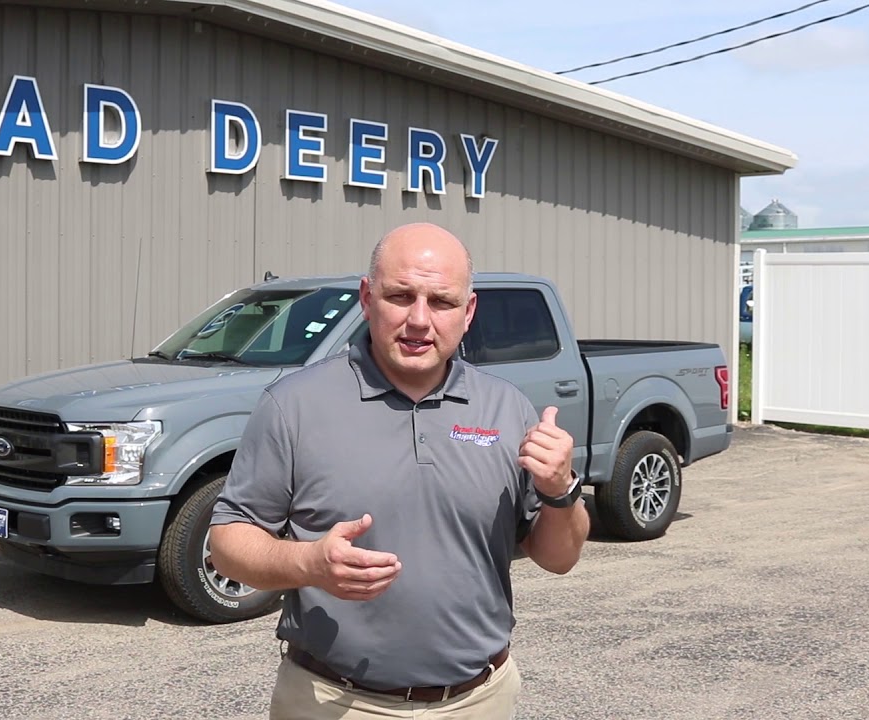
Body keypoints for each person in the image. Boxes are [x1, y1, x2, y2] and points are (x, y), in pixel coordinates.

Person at [209, 222, 590, 719]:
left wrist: (561, 490)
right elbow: (227, 542)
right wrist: (309, 565)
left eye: (441, 302)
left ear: (468, 312)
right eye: (400, 295)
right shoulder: (293, 406)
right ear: (367, 299)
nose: (419, 320)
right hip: (333, 701)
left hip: (480, 700)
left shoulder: (506, 408)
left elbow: (559, 558)